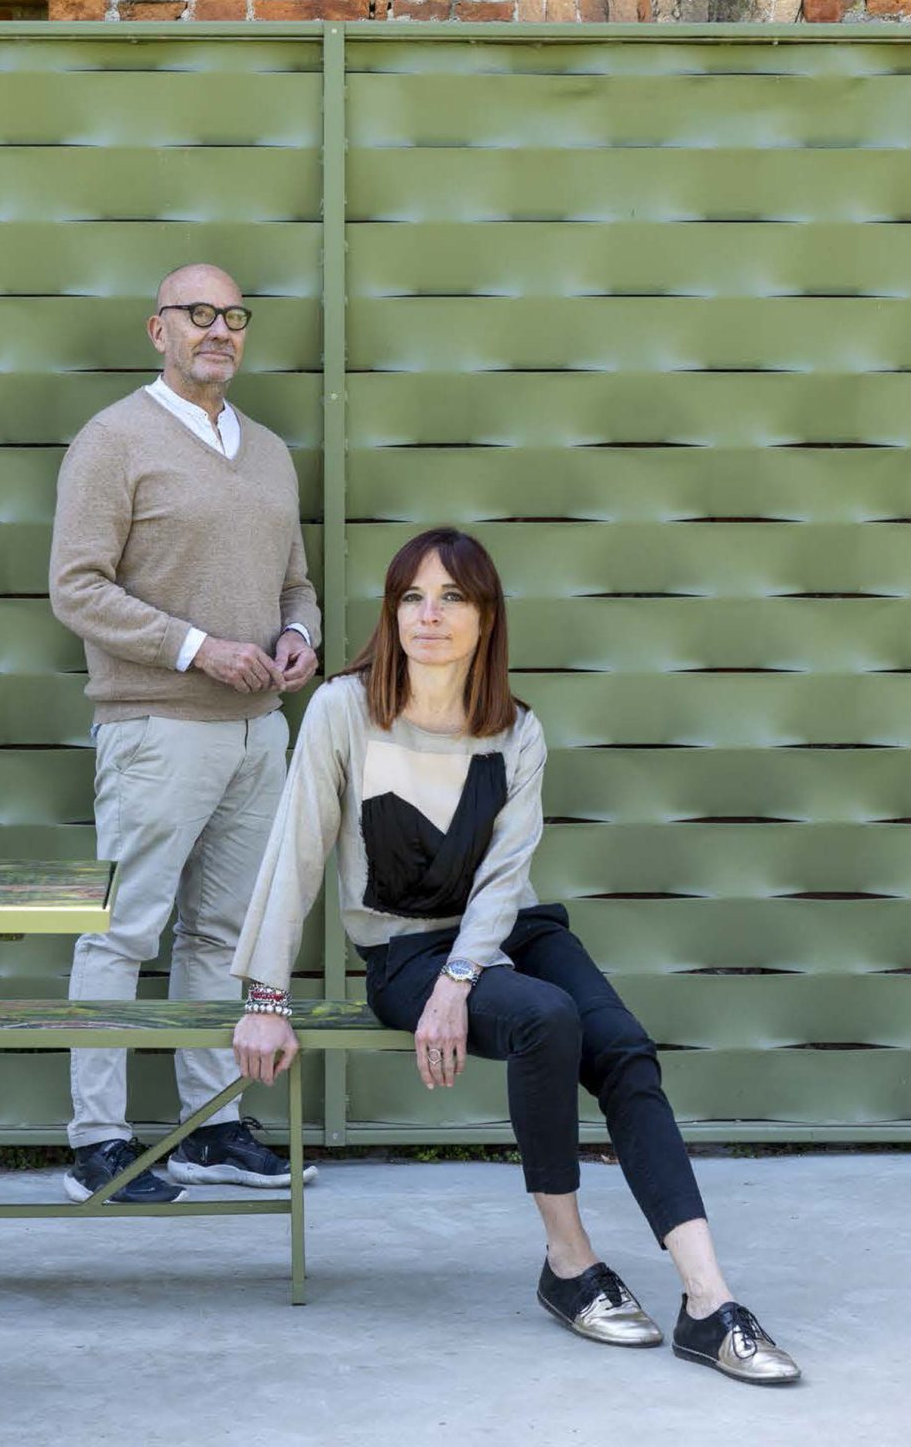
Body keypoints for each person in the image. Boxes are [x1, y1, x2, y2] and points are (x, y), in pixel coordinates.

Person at [231, 527, 800, 1384]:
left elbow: (504, 876)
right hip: (402, 950)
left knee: (622, 1047)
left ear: (486, 617)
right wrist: (265, 1000)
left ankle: (707, 1303)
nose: (428, 615)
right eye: (411, 597)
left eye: (451, 598)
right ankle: (569, 1264)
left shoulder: (515, 730)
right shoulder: (343, 710)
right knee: (544, 1017)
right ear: (391, 613)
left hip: (507, 931)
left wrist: (462, 979)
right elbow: (296, 850)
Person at [50, 262, 321, 1203]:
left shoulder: (268, 451)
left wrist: (298, 636)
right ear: (156, 329)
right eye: (197, 313)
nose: (218, 330)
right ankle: (97, 1142)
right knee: (123, 933)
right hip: (156, 729)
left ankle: (209, 1129)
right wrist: (199, 648)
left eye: (233, 316)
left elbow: (295, 582)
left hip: (259, 733)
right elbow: (76, 588)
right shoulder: (113, 441)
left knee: (223, 935)